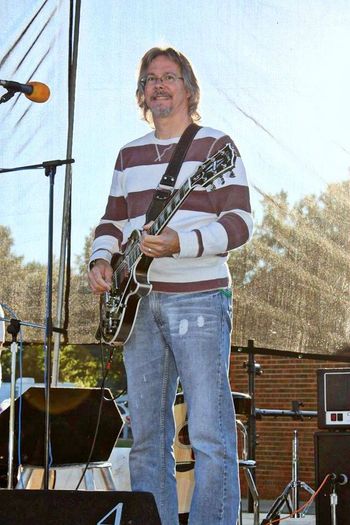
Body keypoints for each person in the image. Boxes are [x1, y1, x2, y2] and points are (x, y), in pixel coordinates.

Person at [88, 47, 253, 525]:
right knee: (146, 439)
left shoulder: (216, 146)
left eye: (169, 77)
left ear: (188, 88)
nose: (159, 85)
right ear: (142, 92)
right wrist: (102, 260)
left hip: (199, 300)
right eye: (150, 78)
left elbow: (240, 224)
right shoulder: (129, 154)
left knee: (208, 434)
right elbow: (112, 221)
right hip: (137, 307)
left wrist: (182, 241)